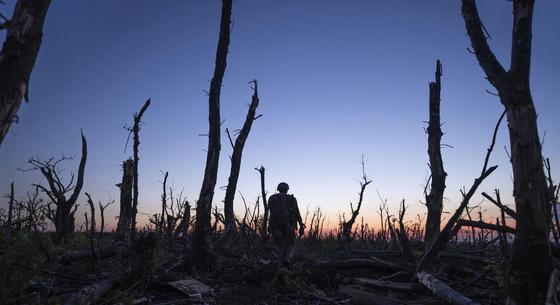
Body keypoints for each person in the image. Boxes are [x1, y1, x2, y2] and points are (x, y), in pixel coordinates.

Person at [268, 182, 305, 266]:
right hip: (290, 225)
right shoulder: (292, 199)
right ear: (287, 189)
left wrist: (269, 226)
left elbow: (271, 213)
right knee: (291, 244)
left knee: (279, 245)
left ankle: (280, 263)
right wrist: (301, 226)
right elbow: (297, 213)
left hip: (276, 226)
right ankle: (287, 259)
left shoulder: (272, 198)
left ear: (278, 189)